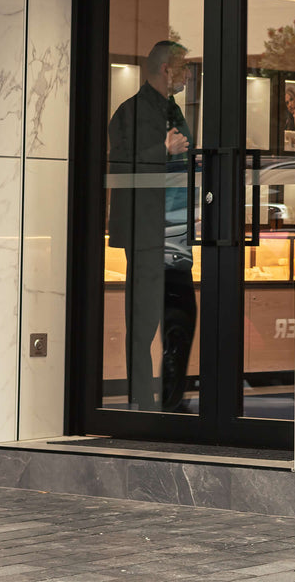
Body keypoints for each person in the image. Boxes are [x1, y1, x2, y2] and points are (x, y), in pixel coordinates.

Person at [106, 40, 197, 411]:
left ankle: (171, 405)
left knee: (180, 322)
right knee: (143, 328)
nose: (188, 74)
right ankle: (143, 406)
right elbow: (119, 167)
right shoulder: (129, 113)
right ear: (166, 69)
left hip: (177, 238)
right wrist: (164, 150)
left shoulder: (173, 110)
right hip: (147, 237)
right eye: (183, 67)